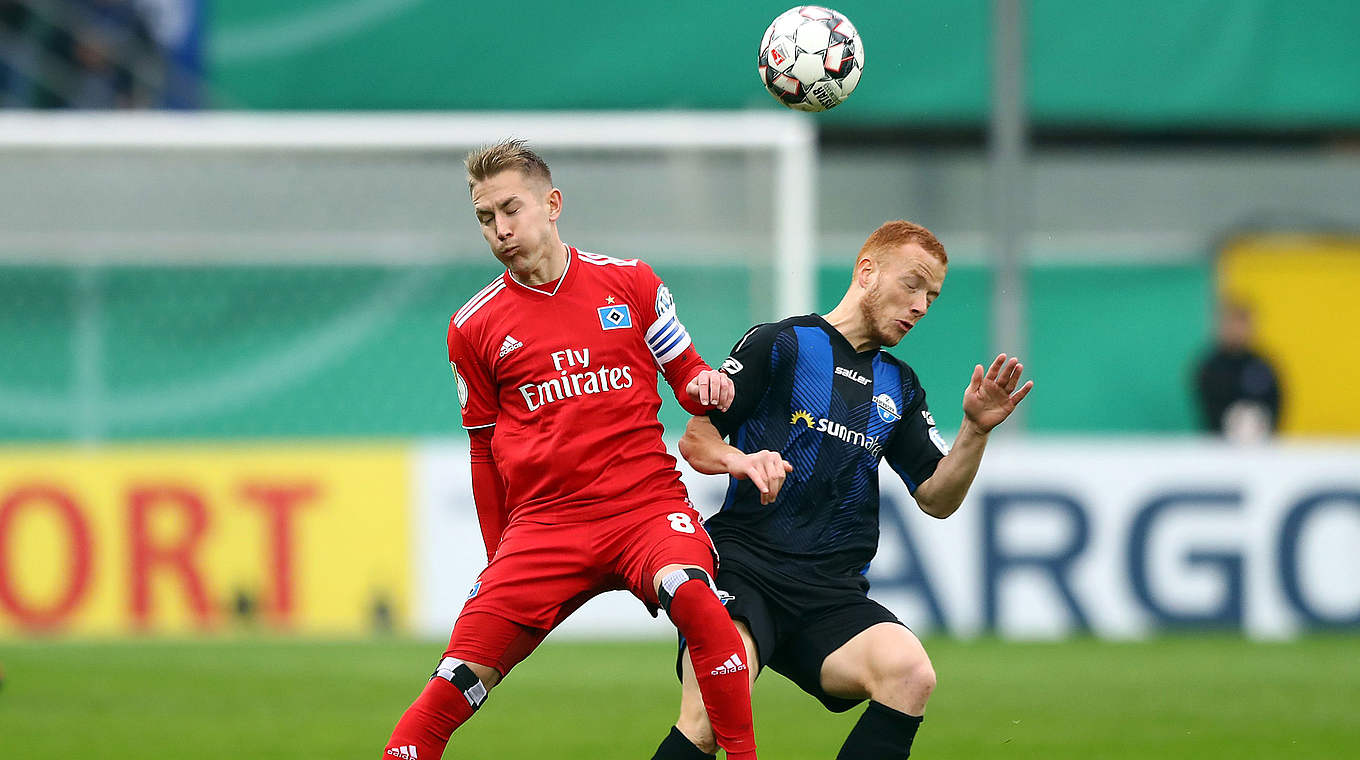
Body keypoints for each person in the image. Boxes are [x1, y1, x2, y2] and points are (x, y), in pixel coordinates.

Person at [381, 140, 758, 760]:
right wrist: (498, 557)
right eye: (484, 218)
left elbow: (687, 373)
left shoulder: (632, 283)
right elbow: (482, 452)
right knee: (448, 691)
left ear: (552, 204)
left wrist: (706, 384)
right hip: (544, 528)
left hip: (643, 508)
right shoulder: (474, 327)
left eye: (511, 209)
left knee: (697, 600)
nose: (499, 230)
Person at [649, 220, 1033, 760]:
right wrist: (743, 459)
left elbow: (938, 498)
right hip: (743, 569)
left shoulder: (900, 385)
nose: (922, 305)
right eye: (913, 284)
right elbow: (697, 440)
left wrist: (974, 431)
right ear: (866, 271)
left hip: (829, 593)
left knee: (910, 674)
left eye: (933, 295)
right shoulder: (780, 342)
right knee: (712, 716)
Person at [1193, 299, 1281, 441]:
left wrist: (1259, 425)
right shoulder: (1211, 367)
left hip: (1260, 444)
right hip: (1219, 443)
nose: (1236, 329)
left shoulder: (1262, 365)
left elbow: (1276, 401)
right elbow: (1207, 406)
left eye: (1242, 324)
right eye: (1231, 323)